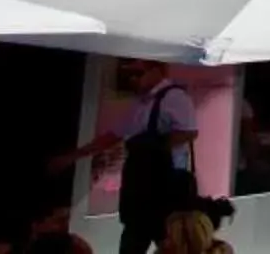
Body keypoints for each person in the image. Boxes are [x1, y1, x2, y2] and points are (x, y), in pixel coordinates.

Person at [53, 62, 199, 254]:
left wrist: (153, 147)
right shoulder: (140, 102)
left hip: (165, 187)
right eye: (128, 75)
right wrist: (73, 156)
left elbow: (189, 131)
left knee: (169, 243)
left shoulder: (175, 97)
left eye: (138, 73)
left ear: (156, 71)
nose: (133, 79)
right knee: (132, 242)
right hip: (138, 188)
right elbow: (114, 135)